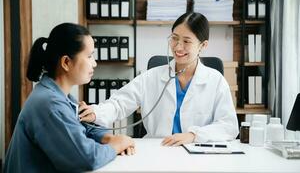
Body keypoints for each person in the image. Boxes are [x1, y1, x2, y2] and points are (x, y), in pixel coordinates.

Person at [79, 12, 239, 146]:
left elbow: (229, 126)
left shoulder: (215, 81)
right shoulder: (151, 77)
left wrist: (193, 135)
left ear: (203, 46)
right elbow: (119, 103)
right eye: (174, 38)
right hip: (157, 150)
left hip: (198, 154)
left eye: (186, 41)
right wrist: (96, 113)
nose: (178, 47)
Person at [4, 23, 135, 172]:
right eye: (89, 56)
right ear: (66, 62)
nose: (95, 63)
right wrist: (118, 145)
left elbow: (85, 128)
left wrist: (110, 138)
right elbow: (86, 158)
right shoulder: (51, 104)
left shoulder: (59, 95)